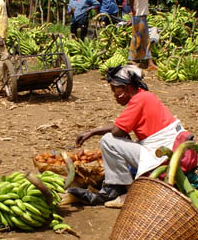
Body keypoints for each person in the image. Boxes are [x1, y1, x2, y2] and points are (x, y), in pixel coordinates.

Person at [68, 65, 190, 205]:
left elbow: (116, 131)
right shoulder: (145, 95)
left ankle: (129, 192)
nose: (114, 95)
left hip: (163, 156)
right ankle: (119, 184)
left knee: (108, 140)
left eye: (115, 90)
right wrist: (92, 132)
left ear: (125, 88)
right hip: (173, 150)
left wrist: (93, 132)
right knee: (120, 139)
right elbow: (121, 129)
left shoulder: (138, 100)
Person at [127, 0, 156, 70]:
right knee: (145, 40)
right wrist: (132, 10)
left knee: (138, 39)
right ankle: (149, 63)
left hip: (139, 17)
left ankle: (134, 59)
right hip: (140, 17)